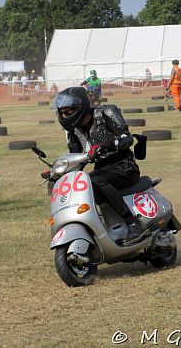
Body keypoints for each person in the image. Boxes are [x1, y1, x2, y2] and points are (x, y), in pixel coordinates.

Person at [43, 86, 145, 244]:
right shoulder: (74, 131)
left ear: (80, 107)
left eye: (67, 112)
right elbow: (76, 159)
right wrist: (57, 173)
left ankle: (133, 223)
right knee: (81, 186)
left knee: (93, 180)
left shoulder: (106, 113)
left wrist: (106, 145)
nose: (63, 116)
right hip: (102, 172)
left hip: (124, 166)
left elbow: (127, 137)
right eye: (61, 112)